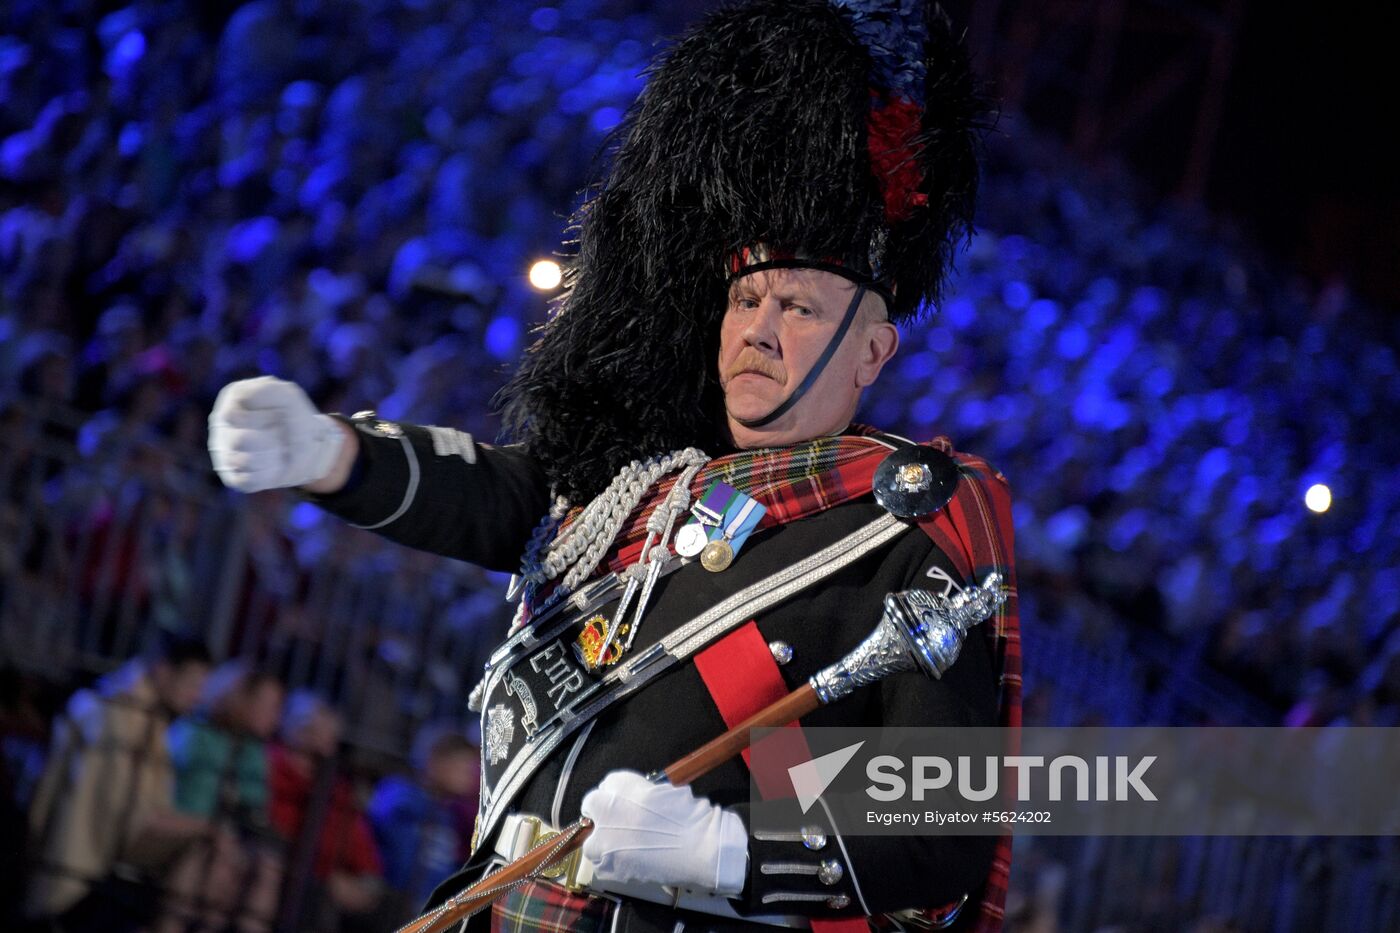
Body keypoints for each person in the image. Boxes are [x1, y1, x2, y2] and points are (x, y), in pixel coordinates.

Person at [207, 1, 1020, 930]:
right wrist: (338, 455)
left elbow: (939, 827)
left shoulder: (903, 529)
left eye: (796, 306)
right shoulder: (649, 484)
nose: (756, 328)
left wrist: (728, 856)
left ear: (872, 352)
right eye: (744, 297)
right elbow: (514, 502)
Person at [24, 632, 218, 931]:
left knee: (220, 855)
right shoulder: (121, 715)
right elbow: (124, 820)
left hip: (100, 856)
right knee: (211, 848)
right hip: (81, 873)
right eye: (194, 683)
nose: (199, 696)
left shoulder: (136, 712)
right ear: (163, 670)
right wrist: (204, 827)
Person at [164, 662, 285, 933]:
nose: (276, 718)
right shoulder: (196, 733)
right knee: (215, 862)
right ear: (239, 697)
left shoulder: (253, 749)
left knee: (267, 866)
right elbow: (191, 803)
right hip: (185, 827)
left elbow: (254, 805)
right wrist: (223, 834)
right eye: (270, 706)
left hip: (229, 837)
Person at [268, 690, 386, 932]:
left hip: (332, 877)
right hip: (287, 865)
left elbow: (359, 844)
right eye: (313, 732)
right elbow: (279, 829)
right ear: (294, 731)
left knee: (391, 907)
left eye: (329, 737)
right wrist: (328, 878)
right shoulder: (272, 768)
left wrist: (365, 882)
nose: (323, 744)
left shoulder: (337, 789)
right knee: (313, 897)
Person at [368, 724, 480, 909]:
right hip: (392, 908)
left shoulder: (447, 814)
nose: (470, 775)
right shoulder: (400, 797)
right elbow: (399, 867)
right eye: (462, 767)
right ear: (435, 762)